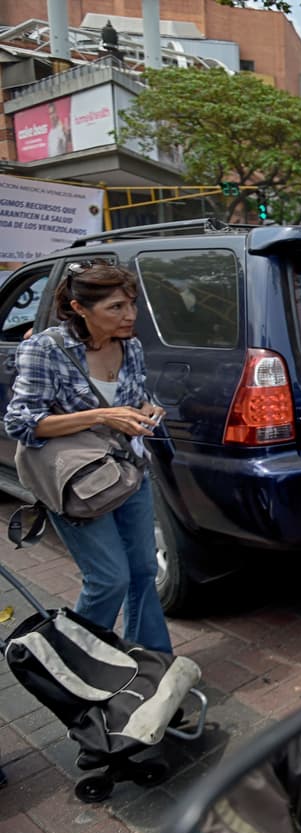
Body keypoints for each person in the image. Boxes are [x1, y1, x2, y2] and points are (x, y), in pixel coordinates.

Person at [4, 261, 171, 653]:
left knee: (144, 571)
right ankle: (73, 663)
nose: (129, 315)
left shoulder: (131, 346)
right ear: (79, 308)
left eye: (131, 304)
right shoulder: (46, 349)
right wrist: (100, 415)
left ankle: (150, 663)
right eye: (116, 307)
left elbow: (133, 399)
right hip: (76, 482)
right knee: (109, 579)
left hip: (129, 471)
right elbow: (21, 422)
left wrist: (149, 409)